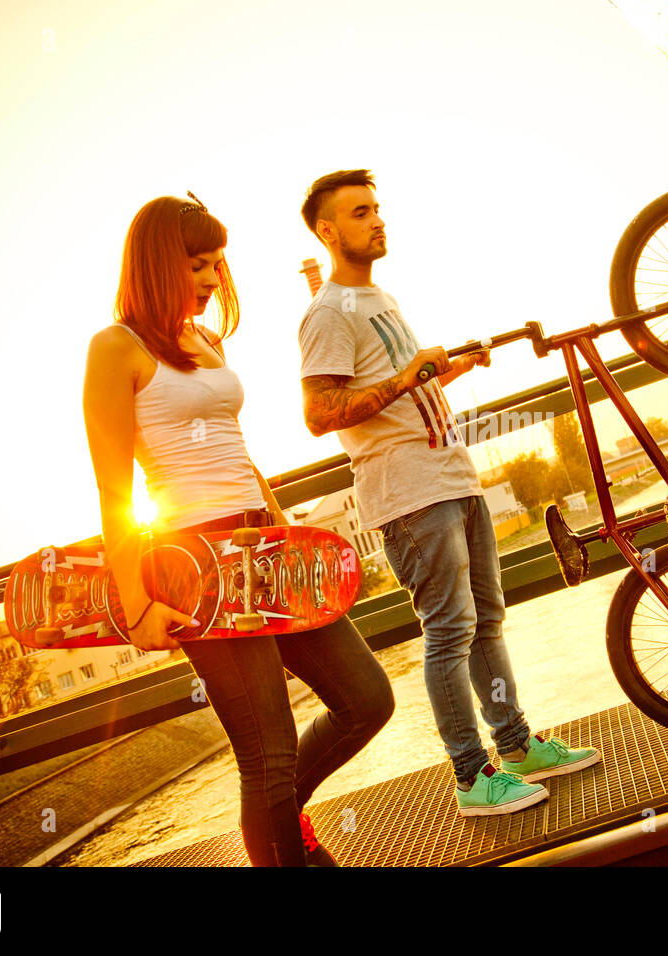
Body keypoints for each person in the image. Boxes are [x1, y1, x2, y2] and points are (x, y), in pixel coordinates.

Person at [82, 191, 393, 864]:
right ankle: (288, 845)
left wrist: (289, 538)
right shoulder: (115, 348)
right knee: (268, 754)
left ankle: (284, 816)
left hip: (264, 548)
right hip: (197, 565)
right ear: (157, 263)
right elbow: (114, 490)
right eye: (197, 264)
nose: (210, 280)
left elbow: (236, 448)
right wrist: (137, 606)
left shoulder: (205, 339)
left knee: (367, 698)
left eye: (217, 265)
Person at [297, 170, 600, 817]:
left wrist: (449, 368)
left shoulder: (377, 297)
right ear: (327, 231)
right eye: (359, 213)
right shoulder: (326, 312)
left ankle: (515, 748)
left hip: (452, 477)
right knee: (450, 631)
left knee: (486, 620)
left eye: (377, 208)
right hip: (408, 495)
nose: (376, 220)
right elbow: (320, 413)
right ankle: (470, 777)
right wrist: (410, 375)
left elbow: (400, 386)